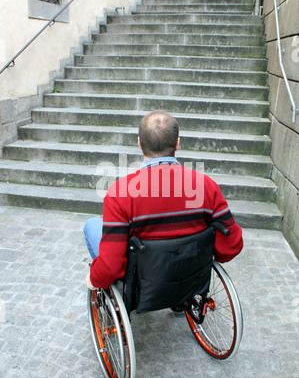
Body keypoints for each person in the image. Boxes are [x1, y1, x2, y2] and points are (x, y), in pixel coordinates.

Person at [84, 110, 243, 291]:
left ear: (139, 143)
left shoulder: (119, 194)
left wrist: (94, 279)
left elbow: (110, 266)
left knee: (92, 225)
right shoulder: (206, 186)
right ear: (177, 143)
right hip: (190, 274)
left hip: (144, 281)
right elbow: (233, 244)